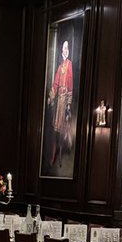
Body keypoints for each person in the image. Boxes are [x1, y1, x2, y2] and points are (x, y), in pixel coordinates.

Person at [47, 39, 74, 169]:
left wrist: (69, 104)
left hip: (64, 103)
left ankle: (61, 154)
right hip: (58, 102)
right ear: (61, 50)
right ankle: (54, 153)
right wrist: (50, 97)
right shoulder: (59, 67)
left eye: (67, 47)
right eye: (64, 47)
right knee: (55, 130)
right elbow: (55, 84)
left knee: (63, 130)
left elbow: (71, 85)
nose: (66, 50)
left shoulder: (69, 65)